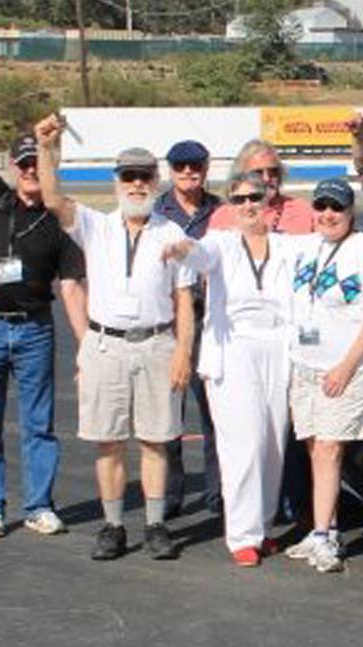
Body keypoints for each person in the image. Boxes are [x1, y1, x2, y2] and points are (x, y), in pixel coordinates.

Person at [33, 114, 196, 561]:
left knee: (156, 440)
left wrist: (183, 352)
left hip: (157, 343)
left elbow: (183, 299)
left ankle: (156, 524)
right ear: (117, 182)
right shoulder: (95, 226)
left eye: (144, 176)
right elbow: (52, 198)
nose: (137, 184)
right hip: (105, 345)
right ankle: (113, 525)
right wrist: (45, 148)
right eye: (129, 176)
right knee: (108, 441)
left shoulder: (172, 233)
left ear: (157, 182)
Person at [0, 41, 86, 540]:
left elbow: (72, 286)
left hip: (33, 331)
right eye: (24, 164)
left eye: (37, 164)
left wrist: (86, 345)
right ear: (12, 166)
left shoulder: (61, 220)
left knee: (39, 424)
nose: (31, 171)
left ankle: (39, 504)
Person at [163, 172, 296, 568]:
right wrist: (181, 248)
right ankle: (241, 535)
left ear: (267, 199)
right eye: (239, 199)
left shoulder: (286, 245)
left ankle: (262, 527)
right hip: (233, 350)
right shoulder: (220, 242)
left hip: (278, 348)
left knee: (273, 444)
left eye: (254, 197)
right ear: (230, 206)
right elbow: (199, 254)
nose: (248, 205)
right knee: (244, 444)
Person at [277, 178, 363, 573]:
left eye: (336, 208)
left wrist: (346, 366)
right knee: (316, 451)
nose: (328, 214)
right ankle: (324, 528)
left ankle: (324, 536)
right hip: (304, 366)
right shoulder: (305, 246)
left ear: (351, 212)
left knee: (329, 450)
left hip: (344, 370)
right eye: (321, 206)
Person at [155, 139, 224, 521]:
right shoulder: (156, 213)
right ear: (171, 170)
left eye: (195, 165)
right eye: (180, 166)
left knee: (215, 411)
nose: (188, 172)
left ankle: (219, 492)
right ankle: (169, 492)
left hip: (211, 319)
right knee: (168, 413)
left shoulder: (221, 211)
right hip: (169, 320)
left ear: (206, 168)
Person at [207, 140, 313, 233]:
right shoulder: (223, 217)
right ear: (241, 176)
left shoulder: (302, 211)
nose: (267, 178)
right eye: (258, 173)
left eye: (273, 172)